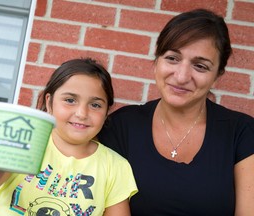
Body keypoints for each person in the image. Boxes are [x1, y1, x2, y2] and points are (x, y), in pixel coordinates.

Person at [98, 8, 254, 216]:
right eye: (172, 58)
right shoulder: (121, 126)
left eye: (200, 66)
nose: (181, 76)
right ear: (157, 61)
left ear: (217, 76)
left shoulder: (242, 133)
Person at [0, 58, 138, 215]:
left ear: (107, 111)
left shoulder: (116, 167)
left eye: (95, 104)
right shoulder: (22, 144)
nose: (81, 113)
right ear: (49, 102)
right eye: (70, 100)